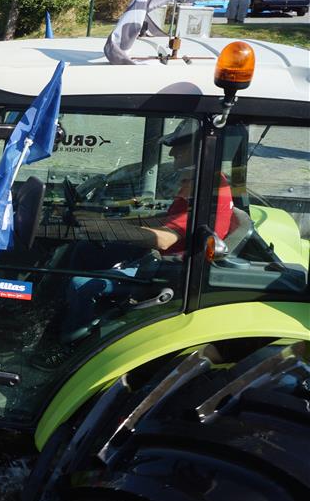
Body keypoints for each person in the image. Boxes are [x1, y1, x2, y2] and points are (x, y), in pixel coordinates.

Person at [54, 120, 238, 350]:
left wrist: (107, 229)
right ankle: (62, 311)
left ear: (198, 148)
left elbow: (165, 239)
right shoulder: (204, 180)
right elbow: (163, 221)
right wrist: (105, 221)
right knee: (84, 249)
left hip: (171, 271)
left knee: (81, 285)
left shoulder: (204, 189)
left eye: (178, 146)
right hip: (166, 260)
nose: (171, 153)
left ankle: (69, 344)